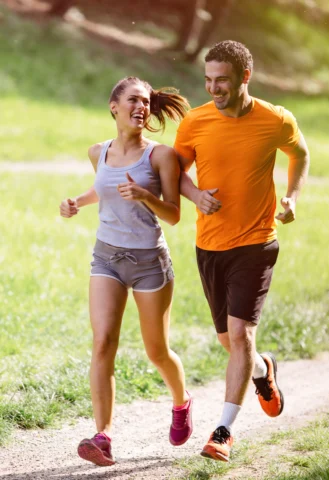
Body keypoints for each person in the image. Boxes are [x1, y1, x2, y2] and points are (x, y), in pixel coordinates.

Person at [174, 40, 310, 462]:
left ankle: (223, 431)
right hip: (209, 244)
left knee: (239, 335)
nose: (214, 88)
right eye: (209, 80)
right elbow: (175, 173)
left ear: (244, 77)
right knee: (228, 341)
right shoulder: (195, 122)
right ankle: (262, 371)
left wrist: (292, 198)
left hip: (256, 242)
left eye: (223, 81)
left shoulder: (274, 119)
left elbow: (300, 154)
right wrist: (196, 194)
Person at [59, 76, 193, 467]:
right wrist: (77, 202)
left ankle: (182, 402)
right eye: (134, 99)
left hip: (150, 262)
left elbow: (174, 215)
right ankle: (103, 436)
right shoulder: (97, 152)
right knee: (102, 343)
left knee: (157, 351)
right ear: (113, 105)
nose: (142, 107)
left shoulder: (160, 156)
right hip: (107, 258)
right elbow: (104, 188)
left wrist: (146, 196)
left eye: (147, 102)